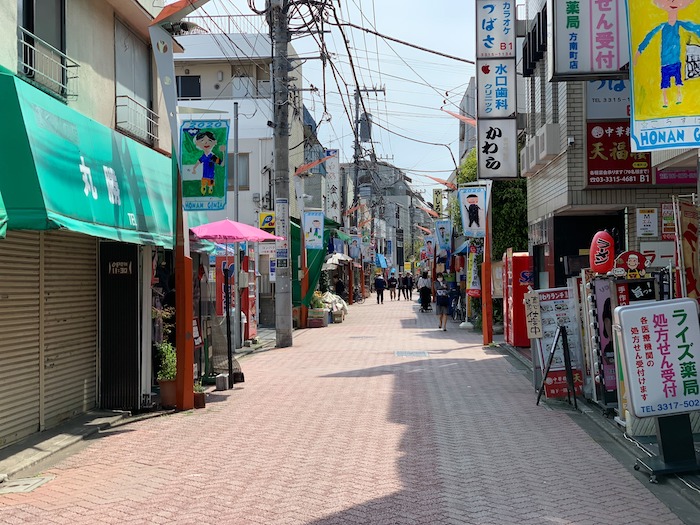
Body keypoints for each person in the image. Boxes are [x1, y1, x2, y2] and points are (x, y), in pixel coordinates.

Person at [634, 0, 700, 108]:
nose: (673, 2)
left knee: (678, 81)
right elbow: (649, 36)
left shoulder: (680, 24)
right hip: (665, 61)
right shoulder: (662, 26)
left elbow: (695, 28)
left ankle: (678, 97)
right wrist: (639, 52)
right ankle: (665, 101)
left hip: (676, 60)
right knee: (665, 83)